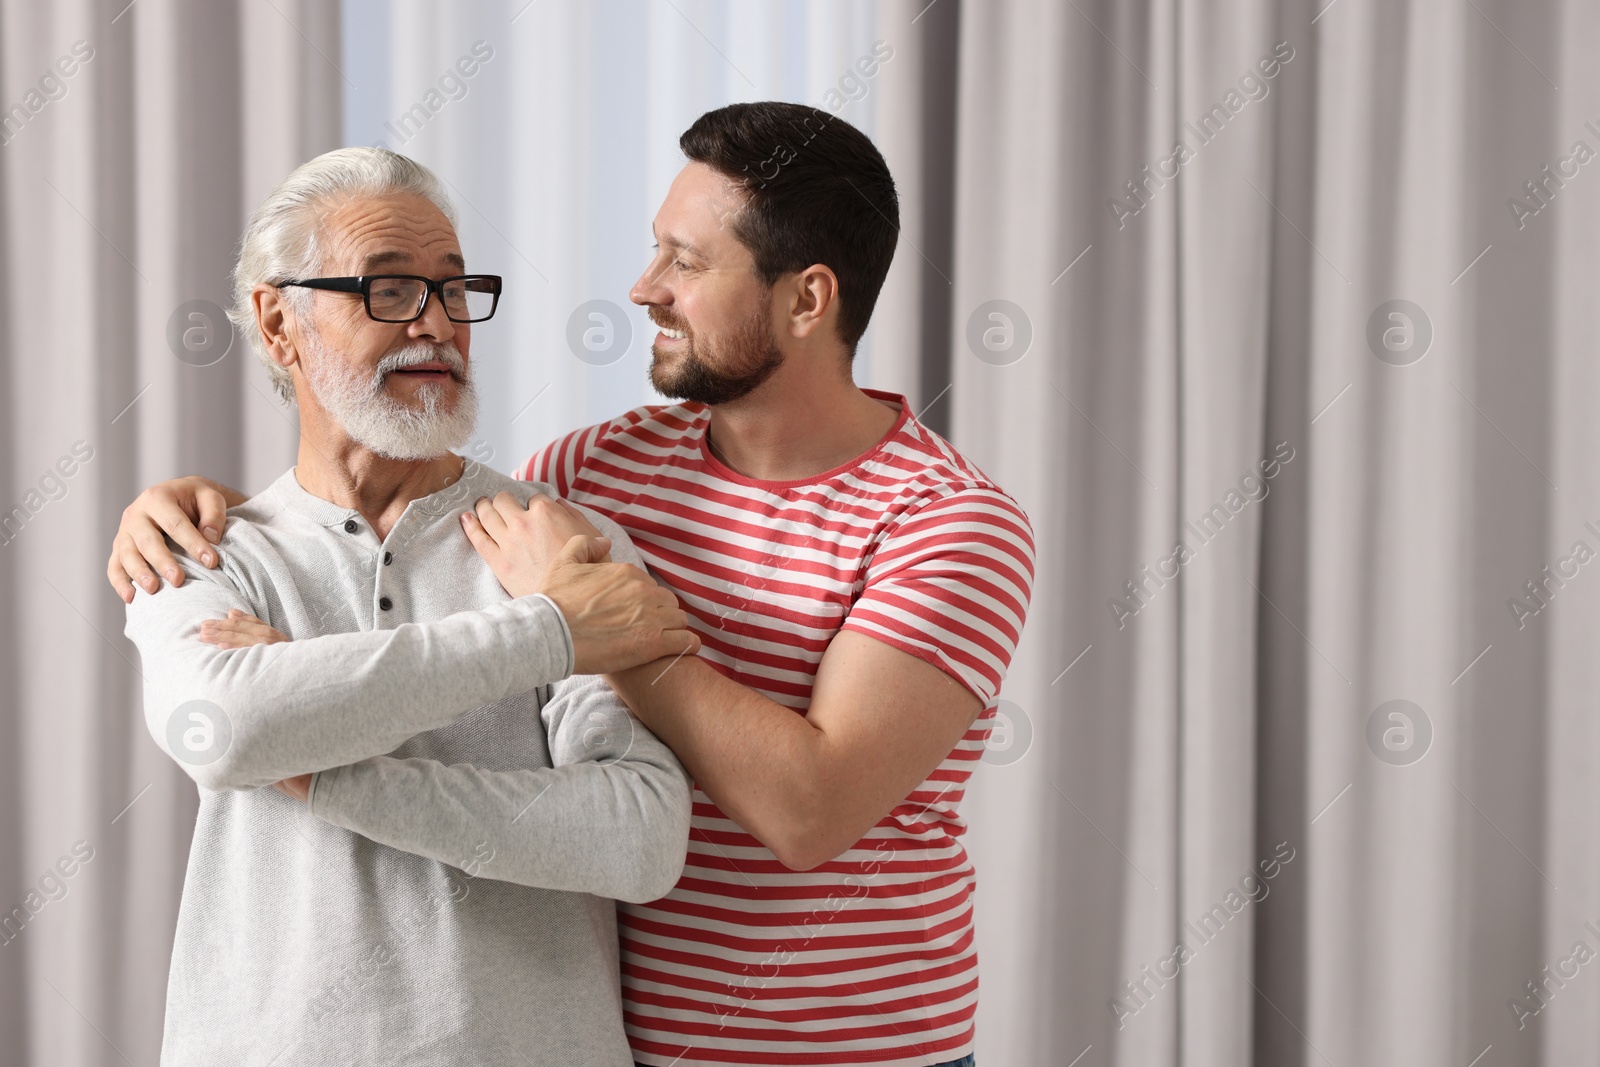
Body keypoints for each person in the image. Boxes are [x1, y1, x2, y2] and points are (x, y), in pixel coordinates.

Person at [110, 103, 1035, 1067]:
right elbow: (398, 524)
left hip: (850, 1050)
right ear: (276, 318)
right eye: (654, 251)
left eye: (686, 261)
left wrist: (583, 631)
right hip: (641, 1041)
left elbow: (800, 811)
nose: (644, 289)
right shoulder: (595, 471)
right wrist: (201, 511)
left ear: (806, 301)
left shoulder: (947, 521)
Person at [119, 146, 697, 1067]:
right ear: (279, 321)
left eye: (454, 289)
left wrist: (319, 771)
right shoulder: (200, 547)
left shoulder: (559, 546)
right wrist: (544, 633)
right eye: (389, 290)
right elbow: (218, 727)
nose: (436, 324)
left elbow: (638, 838)